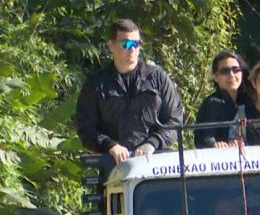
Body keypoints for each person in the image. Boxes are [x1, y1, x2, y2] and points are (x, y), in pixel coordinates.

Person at [76, 19, 184, 164]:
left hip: (155, 164)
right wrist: (110, 145)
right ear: (111, 46)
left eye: (136, 44)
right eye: (125, 44)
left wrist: (153, 143)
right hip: (113, 167)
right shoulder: (96, 84)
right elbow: (85, 127)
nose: (132, 49)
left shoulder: (157, 77)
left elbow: (175, 119)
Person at [194, 50, 250, 148]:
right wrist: (216, 145)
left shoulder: (248, 101)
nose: (231, 75)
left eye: (236, 69)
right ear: (216, 77)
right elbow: (205, 138)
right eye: (225, 71)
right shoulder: (211, 104)